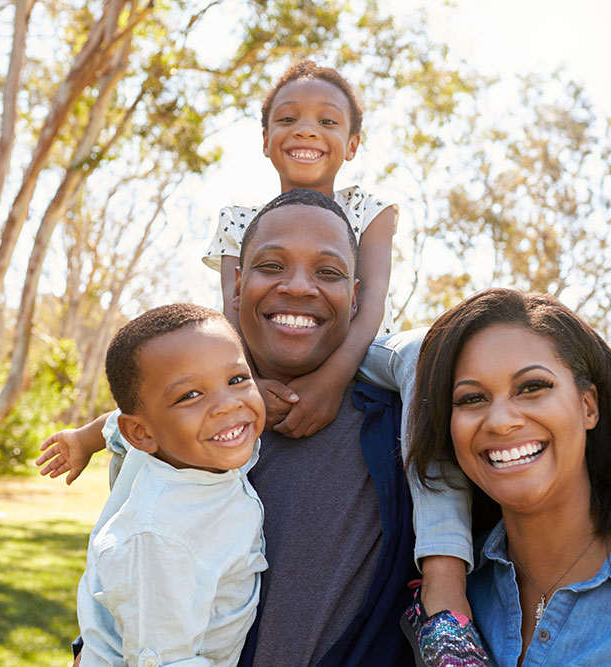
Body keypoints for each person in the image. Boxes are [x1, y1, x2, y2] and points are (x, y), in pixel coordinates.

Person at [42, 190, 484, 666]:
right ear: (235, 286)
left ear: (356, 298)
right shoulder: (175, 435)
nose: (297, 286)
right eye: (271, 266)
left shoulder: (401, 426)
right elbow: (130, 609)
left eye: (328, 271)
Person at [404, 288, 611, 665]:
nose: (501, 420)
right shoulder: (446, 597)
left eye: (531, 388)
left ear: (588, 406)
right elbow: (387, 353)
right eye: (472, 398)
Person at [203, 59, 397, 440]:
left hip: (363, 356)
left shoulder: (370, 210)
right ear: (264, 139)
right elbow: (233, 308)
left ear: (352, 144)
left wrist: (331, 381)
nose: (306, 131)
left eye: (327, 122)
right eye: (288, 120)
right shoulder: (239, 221)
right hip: (266, 362)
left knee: (423, 365)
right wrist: (250, 383)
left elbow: (372, 301)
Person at [76, 303, 267, 666]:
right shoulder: (162, 539)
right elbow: (162, 659)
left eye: (237, 379)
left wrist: (82, 440)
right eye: (190, 395)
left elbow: (120, 426)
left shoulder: (201, 456)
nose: (227, 406)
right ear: (143, 433)